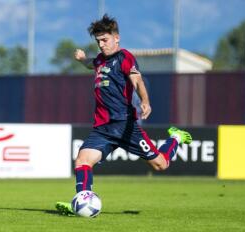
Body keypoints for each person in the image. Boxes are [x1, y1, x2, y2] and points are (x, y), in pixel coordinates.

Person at [55, 14, 192, 216]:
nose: (101, 45)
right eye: (98, 41)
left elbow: (137, 81)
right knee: (82, 162)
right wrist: (83, 59)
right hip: (102, 128)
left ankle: (175, 137)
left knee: (160, 164)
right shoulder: (100, 60)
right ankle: (82, 202)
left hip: (125, 125)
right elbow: (90, 63)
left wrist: (145, 101)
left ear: (116, 38)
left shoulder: (124, 57)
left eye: (105, 40)